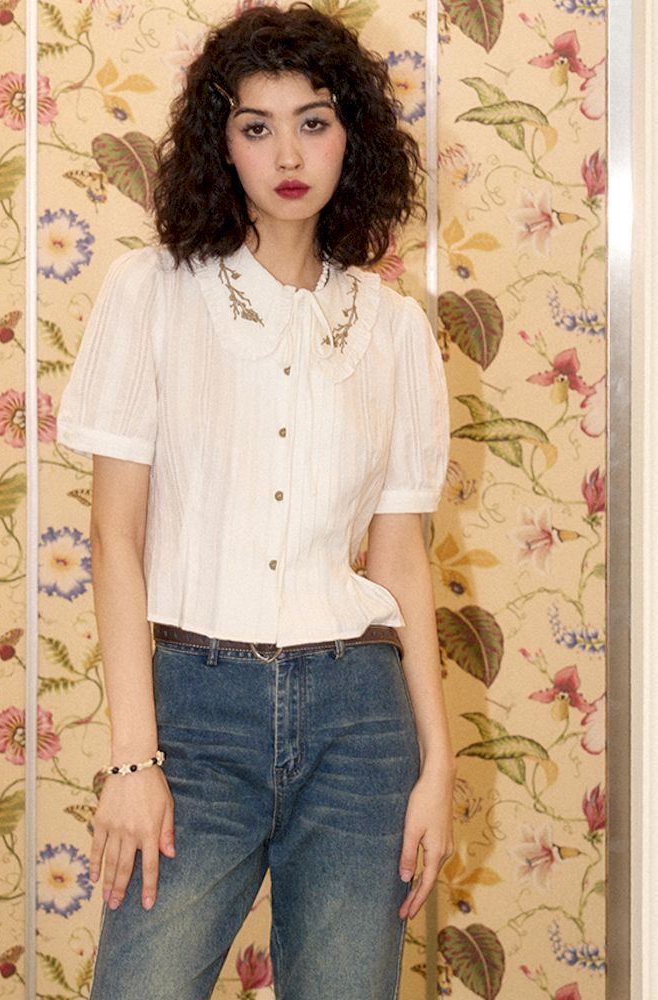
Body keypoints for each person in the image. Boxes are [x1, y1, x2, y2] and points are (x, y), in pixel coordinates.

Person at [56, 4, 454, 998]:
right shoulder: (151, 294)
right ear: (219, 144)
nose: (287, 153)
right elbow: (114, 535)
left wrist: (437, 765)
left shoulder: (395, 332)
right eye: (256, 125)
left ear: (352, 138)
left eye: (314, 121)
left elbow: (400, 561)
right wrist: (134, 760)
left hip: (361, 724)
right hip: (194, 714)